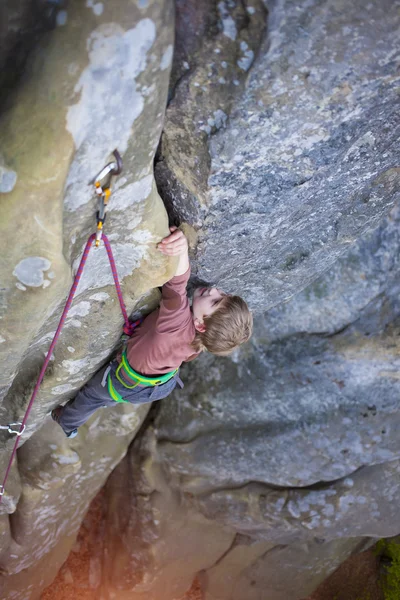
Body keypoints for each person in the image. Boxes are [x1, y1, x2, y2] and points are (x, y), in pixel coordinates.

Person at [51, 226, 253, 438]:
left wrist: (181, 250)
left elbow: (176, 285)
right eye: (222, 294)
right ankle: (111, 398)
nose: (213, 289)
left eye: (214, 301)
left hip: (129, 382)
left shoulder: (177, 323)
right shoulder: (201, 339)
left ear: (201, 325)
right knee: (109, 396)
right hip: (161, 384)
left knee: (92, 395)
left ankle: (68, 422)